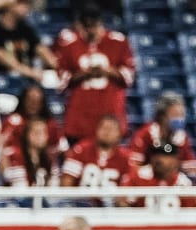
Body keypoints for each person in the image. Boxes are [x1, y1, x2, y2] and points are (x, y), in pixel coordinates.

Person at [55, 5, 133, 146]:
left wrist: (107, 71)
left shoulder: (118, 41)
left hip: (110, 108)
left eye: (94, 25)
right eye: (87, 26)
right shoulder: (70, 44)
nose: (91, 30)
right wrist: (83, 74)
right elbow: (61, 81)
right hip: (80, 113)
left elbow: (129, 76)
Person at [126, 92, 196, 177]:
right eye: (175, 115)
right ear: (162, 117)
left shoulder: (182, 136)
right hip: (147, 181)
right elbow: (133, 165)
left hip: (171, 182)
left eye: (182, 115)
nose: (179, 119)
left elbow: (190, 166)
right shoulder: (146, 133)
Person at [61, 114, 130, 195]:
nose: (107, 132)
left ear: (119, 134)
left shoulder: (125, 157)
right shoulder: (81, 149)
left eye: (111, 129)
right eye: (104, 128)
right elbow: (67, 181)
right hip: (81, 203)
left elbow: (128, 188)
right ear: (97, 130)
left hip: (112, 205)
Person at [118, 142, 196, 209]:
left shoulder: (183, 182)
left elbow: (190, 210)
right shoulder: (138, 176)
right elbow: (122, 203)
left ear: (175, 161)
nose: (159, 159)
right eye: (156, 154)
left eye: (165, 156)